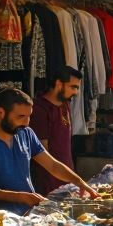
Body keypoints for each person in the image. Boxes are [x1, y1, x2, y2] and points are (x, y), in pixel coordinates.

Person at [0, 88, 98, 214]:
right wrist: (19, 197)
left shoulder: (26, 133)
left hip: (28, 213)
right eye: (21, 116)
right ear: (0, 113)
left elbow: (52, 165)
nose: (26, 123)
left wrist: (80, 182)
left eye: (29, 116)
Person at [29, 66, 82, 196]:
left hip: (66, 179)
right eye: (73, 87)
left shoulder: (65, 105)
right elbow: (42, 151)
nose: (76, 92)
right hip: (47, 182)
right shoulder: (39, 109)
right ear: (59, 84)